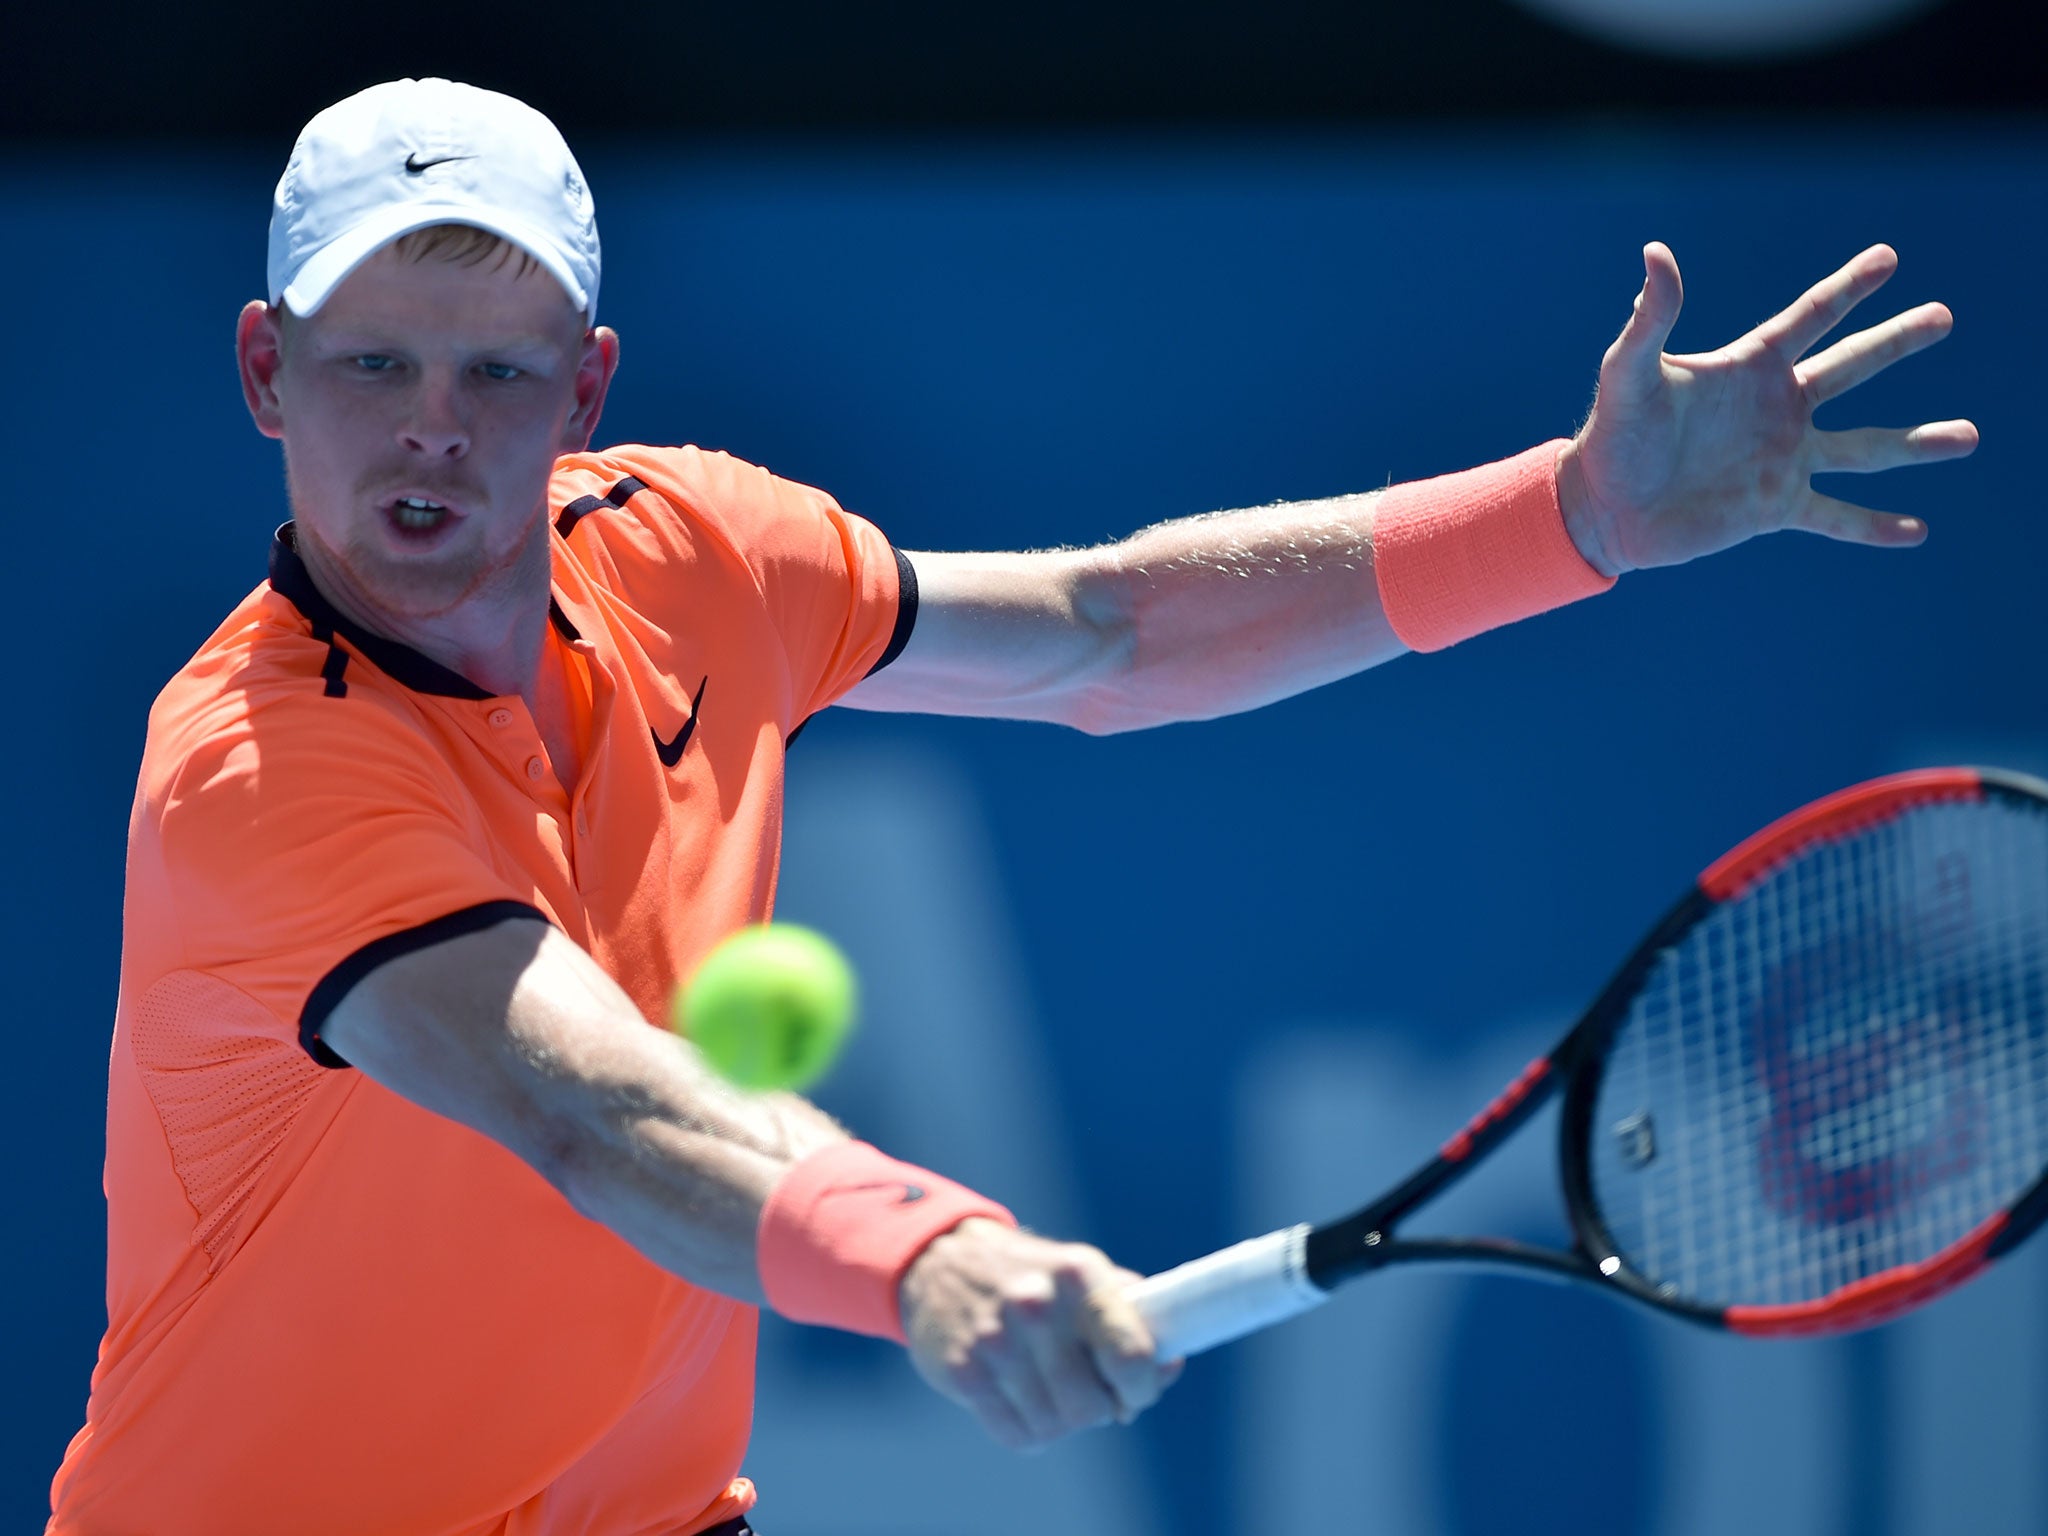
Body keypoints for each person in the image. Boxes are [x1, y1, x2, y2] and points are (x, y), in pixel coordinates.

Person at [47, 77, 1975, 1536]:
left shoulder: (691, 551)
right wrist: (927, 1252)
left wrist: (1570, 519)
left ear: (588, 386)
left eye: (494, 369)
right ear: (263, 369)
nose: (430, 430)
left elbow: (1106, 629)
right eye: (370, 362)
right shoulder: (255, 771)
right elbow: (589, 1101)